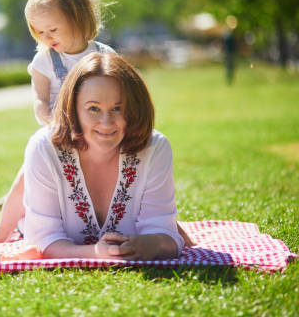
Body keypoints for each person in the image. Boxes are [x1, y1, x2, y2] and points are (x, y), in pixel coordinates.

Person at [0, 0, 117, 245]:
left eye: (53, 29)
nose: (46, 37)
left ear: (78, 19)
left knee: (132, 171)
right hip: (60, 136)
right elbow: (40, 101)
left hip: (102, 134)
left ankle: (167, 227)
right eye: (39, 31)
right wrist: (49, 118)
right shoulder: (45, 60)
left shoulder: (106, 56)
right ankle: (2, 231)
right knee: (25, 178)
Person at [23, 52, 184, 259]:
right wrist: (94, 253)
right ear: (73, 110)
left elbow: (166, 235)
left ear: (134, 109)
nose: (107, 122)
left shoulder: (155, 148)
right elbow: (41, 241)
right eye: (93, 109)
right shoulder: (44, 148)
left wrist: (149, 244)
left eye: (118, 108)